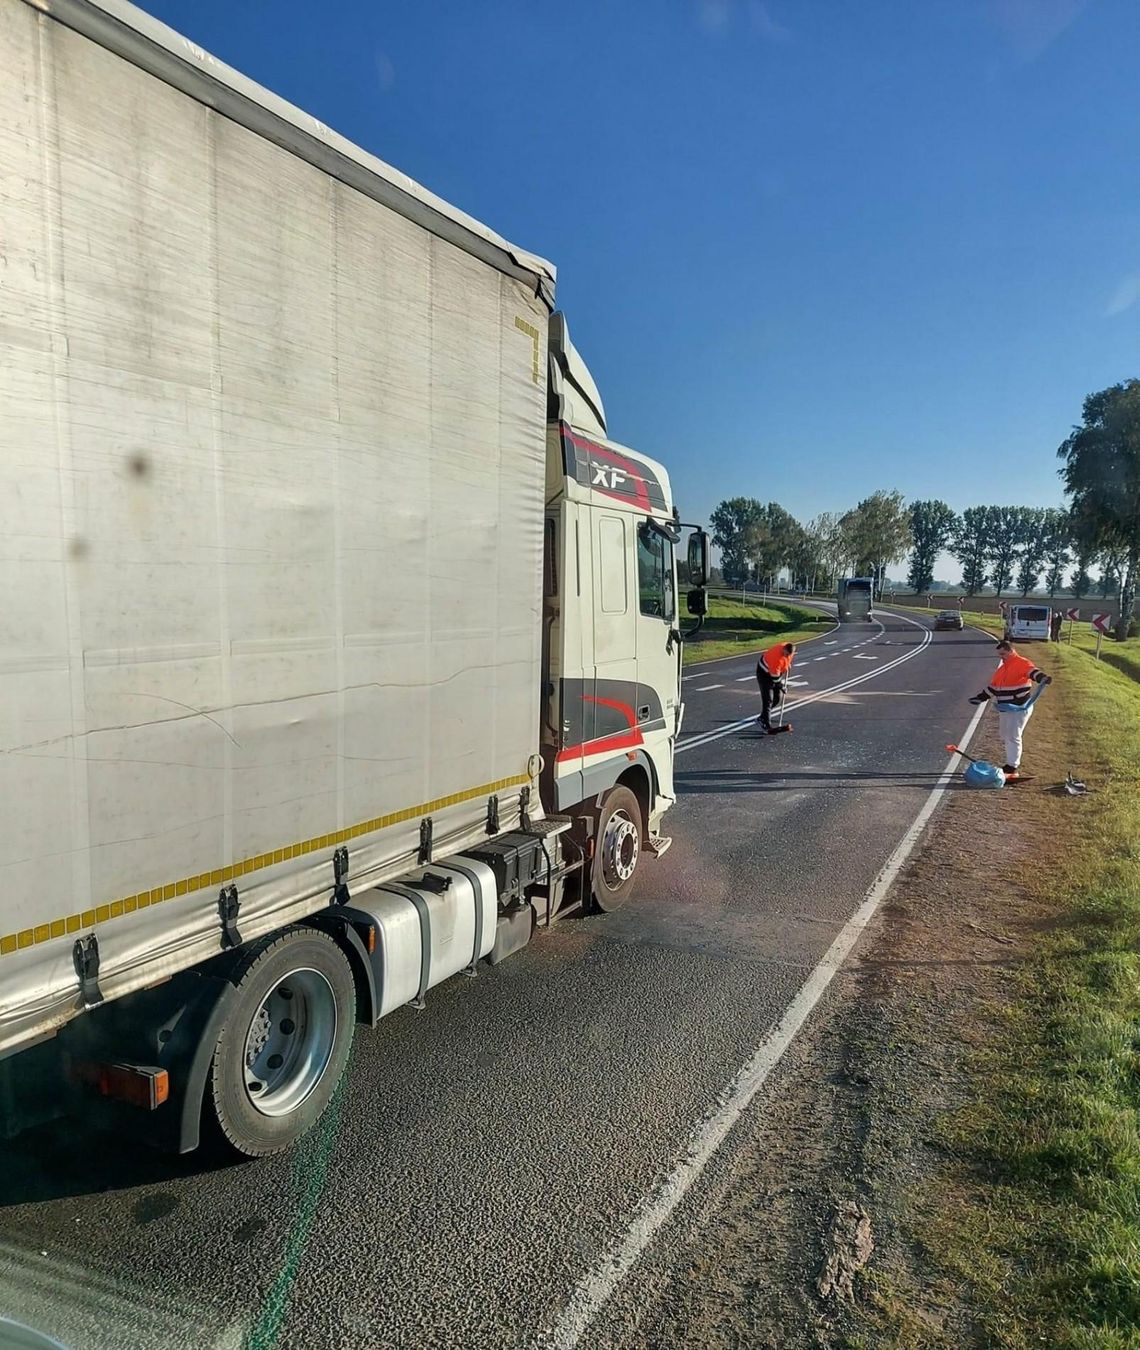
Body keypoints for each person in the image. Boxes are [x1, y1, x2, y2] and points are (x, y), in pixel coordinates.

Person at [968, 639, 1051, 781]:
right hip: (1005, 708)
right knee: (1005, 735)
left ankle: (1012, 766)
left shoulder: (1021, 662)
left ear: (1011, 651)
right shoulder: (1002, 670)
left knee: (1013, 736)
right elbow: (993, 687)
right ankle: (1009, 764)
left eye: (1003, 654)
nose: (1001, 657)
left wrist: (1042, 677)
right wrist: (980, 697)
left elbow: (1032, 672)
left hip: (1019, 708)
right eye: (999, 655)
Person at [756, 641, 796, 734]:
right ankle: (766, 724)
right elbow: (775, 678)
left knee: (777, 699)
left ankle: (762, 717)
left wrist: (787, 664)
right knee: (768, 700)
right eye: (785, 655)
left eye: (788, 655)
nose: (787, 656)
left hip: (775, 673)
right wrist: (782, 687)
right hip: (764, 674)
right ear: (784, 649)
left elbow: (787, 658)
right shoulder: (776, 659)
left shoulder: (789, 650)